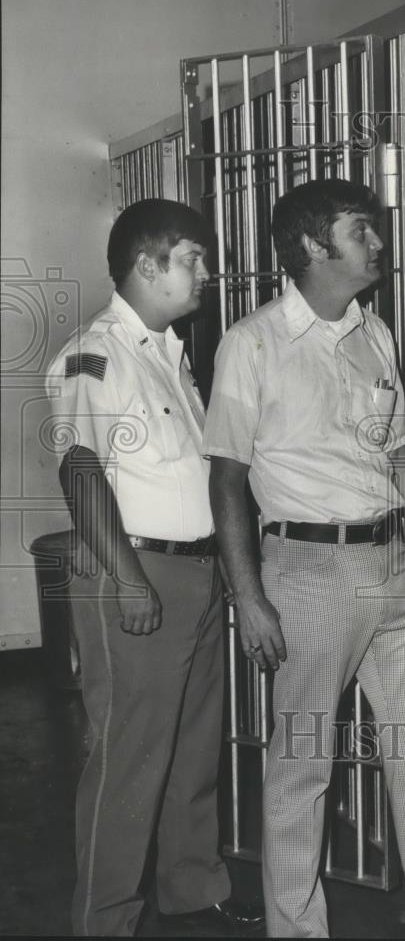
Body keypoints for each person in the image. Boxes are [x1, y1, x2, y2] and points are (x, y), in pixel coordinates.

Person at [203, 178, 405, 938]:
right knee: (302, 769)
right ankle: (297, 930)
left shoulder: (375, 334)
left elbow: (400, 458)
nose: (377, 243)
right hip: (305, 574)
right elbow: (227, 477)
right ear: (313, 245)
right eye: (360, 230)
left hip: (390, 568)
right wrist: (248, 595)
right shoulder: (252, 342)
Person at [45, 199, 264, 937]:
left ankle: (191, 888)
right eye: (193, 258)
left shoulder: (168, 354)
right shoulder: (95, 353)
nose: (207, 271)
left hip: (196, 575)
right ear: (147, 265)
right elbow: (80, 471)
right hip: (134, 574)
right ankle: (104, 919)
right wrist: (131, 579)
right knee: (130, 758)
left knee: (194, 747)